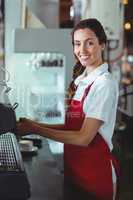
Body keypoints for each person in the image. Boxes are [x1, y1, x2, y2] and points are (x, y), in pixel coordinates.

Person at [17, 18, 120, 200]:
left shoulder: (104, 84)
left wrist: (35, 129)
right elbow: (71, 127)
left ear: (102, 44)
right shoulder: (82, 81)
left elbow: (83, 138)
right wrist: (33, 124)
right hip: (75, 174)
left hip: (94, 179)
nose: (82, 50)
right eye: (77, 44)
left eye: (89, 43)